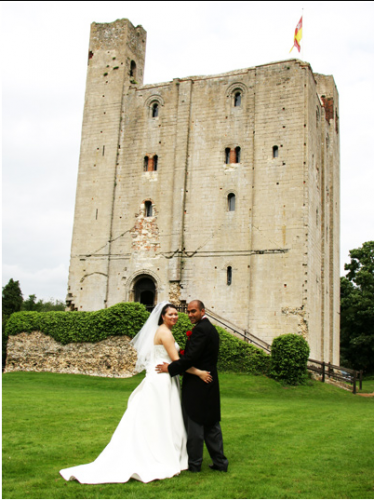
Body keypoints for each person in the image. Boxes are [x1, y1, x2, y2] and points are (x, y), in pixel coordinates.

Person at [59, 301, 212, 484]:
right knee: (162, 417)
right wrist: (199, 372)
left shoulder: (162, 331)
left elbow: (173, 362)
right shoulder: (165, 333)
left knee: (155, 418)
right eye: (170, 314)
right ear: (162, 316)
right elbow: (178, 362)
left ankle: (157, 450)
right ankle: (161, 455)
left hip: (158, 377)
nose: (174, 317)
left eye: (176, 314)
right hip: (161, 380)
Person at [156, 300, 229, 473]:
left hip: (198, 384)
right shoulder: (208, 328)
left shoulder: (201, 331)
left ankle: (195, 464)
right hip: (209, 381)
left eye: (193, 311)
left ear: (203, 311)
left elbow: (190, 358)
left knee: (195, 423)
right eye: (188, 311)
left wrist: (171, 368)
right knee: (211, 424)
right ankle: (220, 462)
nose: (189, 314)